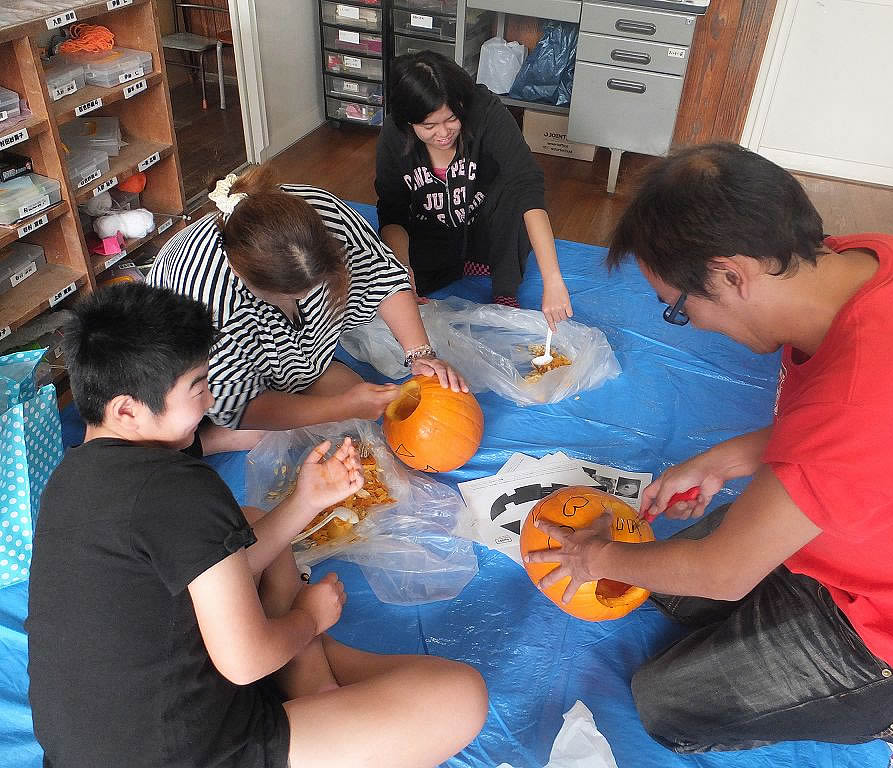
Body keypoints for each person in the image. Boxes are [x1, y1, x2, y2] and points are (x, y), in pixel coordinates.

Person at [522, 143, 893, 761]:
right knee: (668, 585)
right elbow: (872, 432)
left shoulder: (861, 399)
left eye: (678, 308)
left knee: (668, 701)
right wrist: (724, 459)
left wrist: (596, 556)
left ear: (733, 275)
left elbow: (726, 572)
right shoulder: (876, 259)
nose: (689, 323)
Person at [26, 283, 488, 768]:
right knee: (461, 696)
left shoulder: (69, 477)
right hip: (197, 751)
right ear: (127, 409)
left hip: (90, 747)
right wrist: (309, 618)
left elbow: (205, 564)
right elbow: (244, 663)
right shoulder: (179, 486)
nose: (210, 399)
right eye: (198, 387)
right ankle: (314, 672)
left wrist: (306, 500)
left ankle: (314, 675)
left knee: (248, 522)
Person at [148, 166, 467, 450]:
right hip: (195, 380)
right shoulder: (210, 303)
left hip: (284, 355)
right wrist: (342, 407)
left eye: (311, 291)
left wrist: (419, 353)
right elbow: (237, 404)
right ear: (239, 273)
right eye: (287, 298)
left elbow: (384, 276)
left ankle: (298, 376)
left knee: (357, 406)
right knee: (259, 435)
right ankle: (206, 443)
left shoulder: (323, 213)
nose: (300, 303)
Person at [375, 50, 573, 331]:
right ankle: (456, 264)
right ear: (409, 122)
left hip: (484, 220)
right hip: (429, 228)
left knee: (514, 193)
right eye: (428, 126)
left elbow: (527, 183)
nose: (443, 134)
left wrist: (552, 279)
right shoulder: (393, 134)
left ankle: (500, 282)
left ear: (461, 104)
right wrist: (402, 272)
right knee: (394, 287)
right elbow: (392, 211)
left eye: (451, 119)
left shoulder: (485, 110)